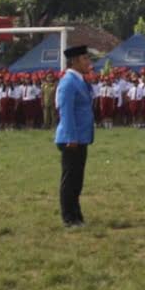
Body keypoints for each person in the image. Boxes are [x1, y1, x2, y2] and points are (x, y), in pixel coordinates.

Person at [54, 45, 95, 229]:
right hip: (72, 138)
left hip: (81, 137)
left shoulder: (80, 80)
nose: (89, 62)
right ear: (75, 61)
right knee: (70, 179)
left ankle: (76, 214)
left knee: (77, 180)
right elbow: (66, 112)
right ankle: (69, 217)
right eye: (85, 59)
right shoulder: (68, 82)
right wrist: (71, 137)